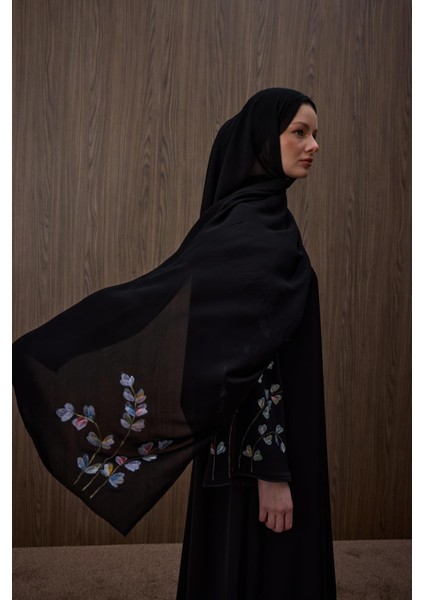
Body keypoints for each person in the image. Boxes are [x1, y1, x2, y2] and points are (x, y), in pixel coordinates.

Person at [13, 88, 336, 598]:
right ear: (261, 141)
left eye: (315, 133)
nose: (314, 144)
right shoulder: (258, 233)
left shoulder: (251, 222)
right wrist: (272, 470)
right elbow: (253, 361)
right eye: (299, 132)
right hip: (260, 455)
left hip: (242, 447)